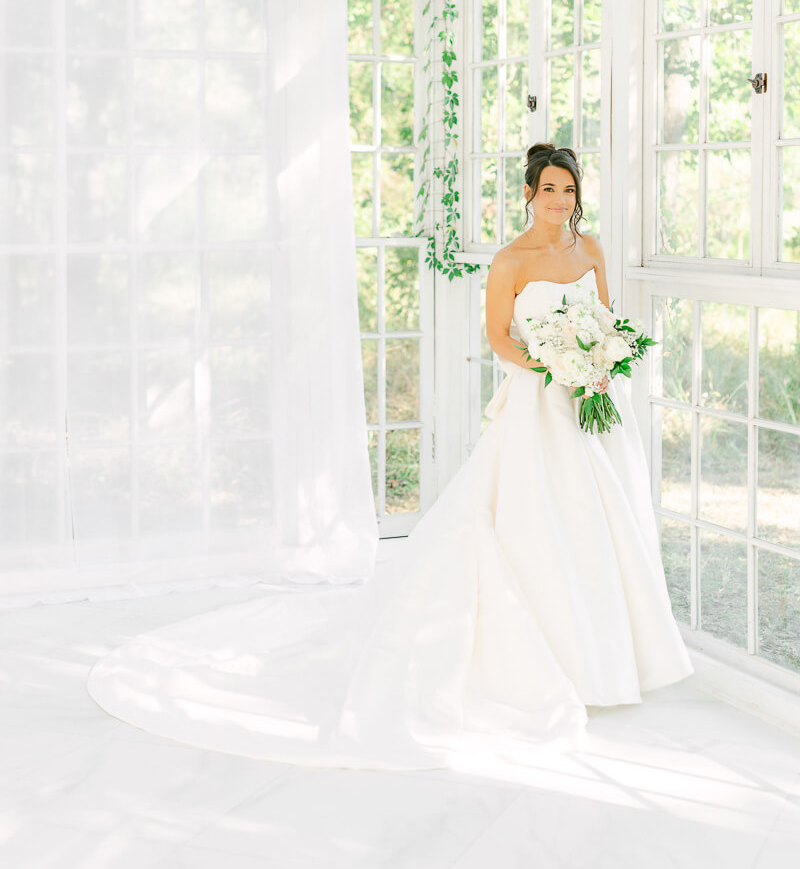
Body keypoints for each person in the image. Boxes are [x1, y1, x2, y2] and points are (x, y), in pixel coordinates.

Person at [86, 142, 694, 774]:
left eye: (568, 191)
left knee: (601, 520)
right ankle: (555, 657)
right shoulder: (510, 260)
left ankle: (612, 653)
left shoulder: (589, 249)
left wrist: (596, 363)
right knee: (540, 521)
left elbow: (605, 315)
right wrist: (555, 365)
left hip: (594, 400)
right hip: (540, 402)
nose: (559, 202)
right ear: (527, 194)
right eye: (548, 190)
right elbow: (497, 337)